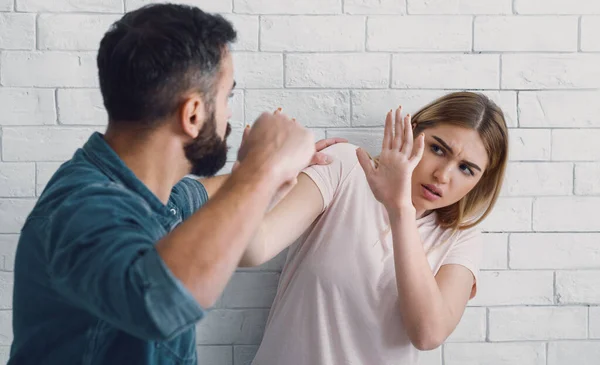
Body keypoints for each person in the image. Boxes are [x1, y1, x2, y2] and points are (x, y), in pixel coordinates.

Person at [8, 4, 345, 364]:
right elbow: (161, 300)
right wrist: (261, 170)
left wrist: (272, 172)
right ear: (193, 114)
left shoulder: (136, 191)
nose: (229, 114)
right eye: (226, 96)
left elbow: (194, 198)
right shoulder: (84, 208)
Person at [241, 92, 509, 365]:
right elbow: (254, 249)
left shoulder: (461, 240)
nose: (442, 175)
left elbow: (428, 334)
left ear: (480, 182)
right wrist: (251, 180)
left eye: (465, 169)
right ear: (411, 131)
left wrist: (400, 208)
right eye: (437, 149)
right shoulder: (344, 166)